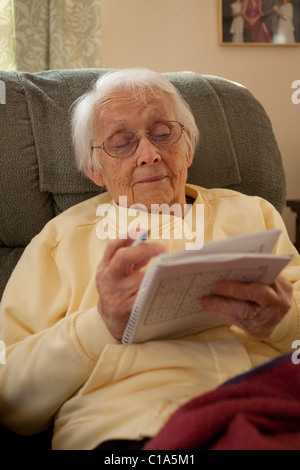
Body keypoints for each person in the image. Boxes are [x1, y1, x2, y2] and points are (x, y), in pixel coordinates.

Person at [0, 68, 299, 450]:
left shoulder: (253, 214)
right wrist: (101, 323)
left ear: (188, 145)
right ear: (95, 169)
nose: (148, 154)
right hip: (129, 427)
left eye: (162, 133)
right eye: (121, 142)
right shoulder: (61, 242)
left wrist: (281, 319)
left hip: (263, 407)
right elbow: (10, 399)